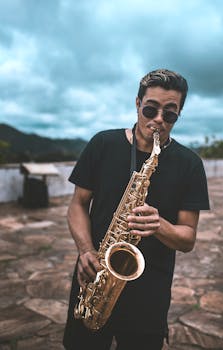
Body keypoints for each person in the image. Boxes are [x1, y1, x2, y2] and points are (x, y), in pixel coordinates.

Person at [63, 69, 210, 350]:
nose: (158, 120)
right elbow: (78, 205)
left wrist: (159, 226)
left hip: (150, 289)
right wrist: (84, 250)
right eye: (150, 109)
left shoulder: (190, 164)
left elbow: (188, 238)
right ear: (137, 104)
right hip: (94, 275)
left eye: (170, 114)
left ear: (179, 114)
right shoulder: (102, 144)